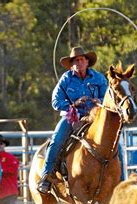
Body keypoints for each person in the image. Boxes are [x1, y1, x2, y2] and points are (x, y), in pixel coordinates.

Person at [37, 46, 108, 193]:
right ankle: (46, 176)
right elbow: (55, 101)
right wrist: (73, 104)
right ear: (72, 64)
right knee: (57, 140)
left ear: (87, 62)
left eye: (82, 60)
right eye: (75, 61)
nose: (79, 63)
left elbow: (108, 98)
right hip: (72, 118)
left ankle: (118, 177)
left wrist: (98, 100)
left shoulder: (99, 78)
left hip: (95, 117)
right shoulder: (66, 79)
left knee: (113, 141)